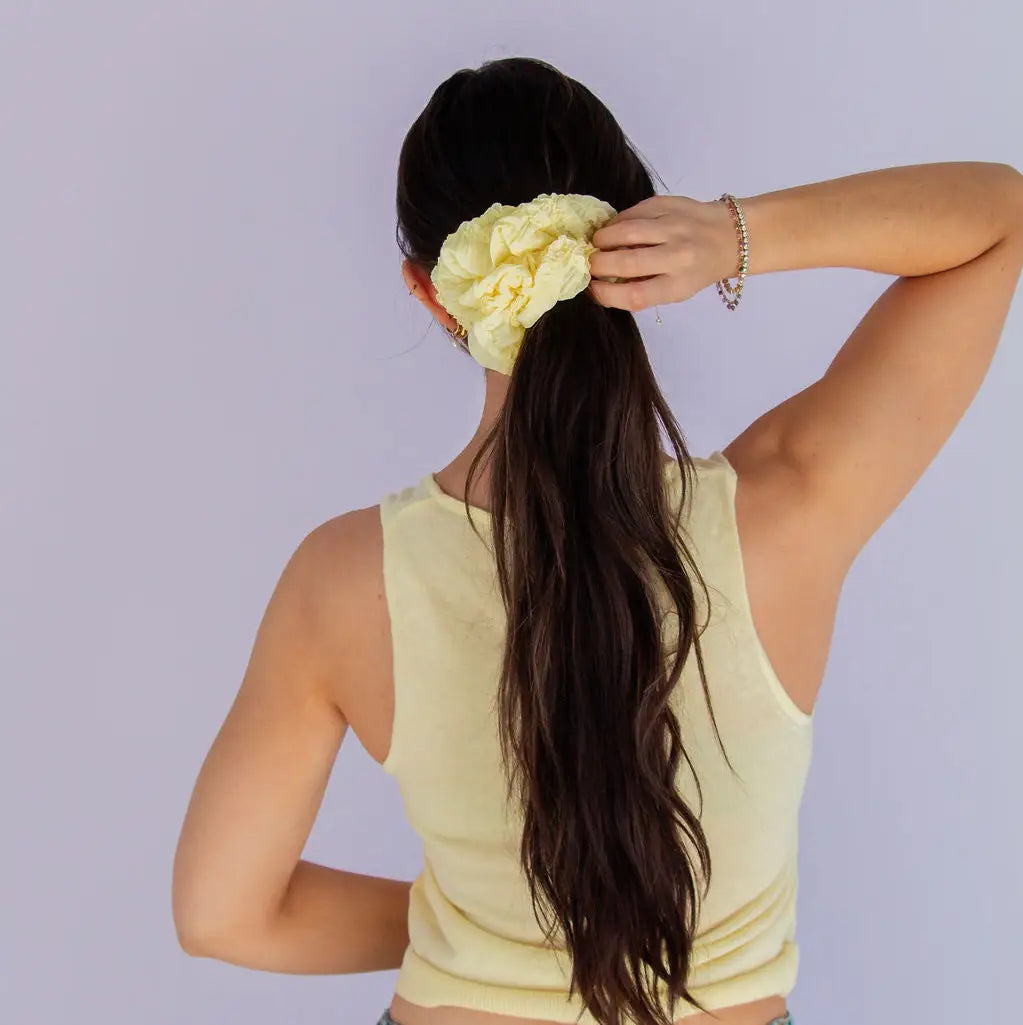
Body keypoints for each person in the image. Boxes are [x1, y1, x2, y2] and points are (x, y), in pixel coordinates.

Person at [171, 56, 1023, 1025]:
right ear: (637, 233)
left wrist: (477, 922)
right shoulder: (786, 506)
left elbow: (221, 913)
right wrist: (733, 235)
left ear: (431, 292)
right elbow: (996, 217)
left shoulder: (343, 580)